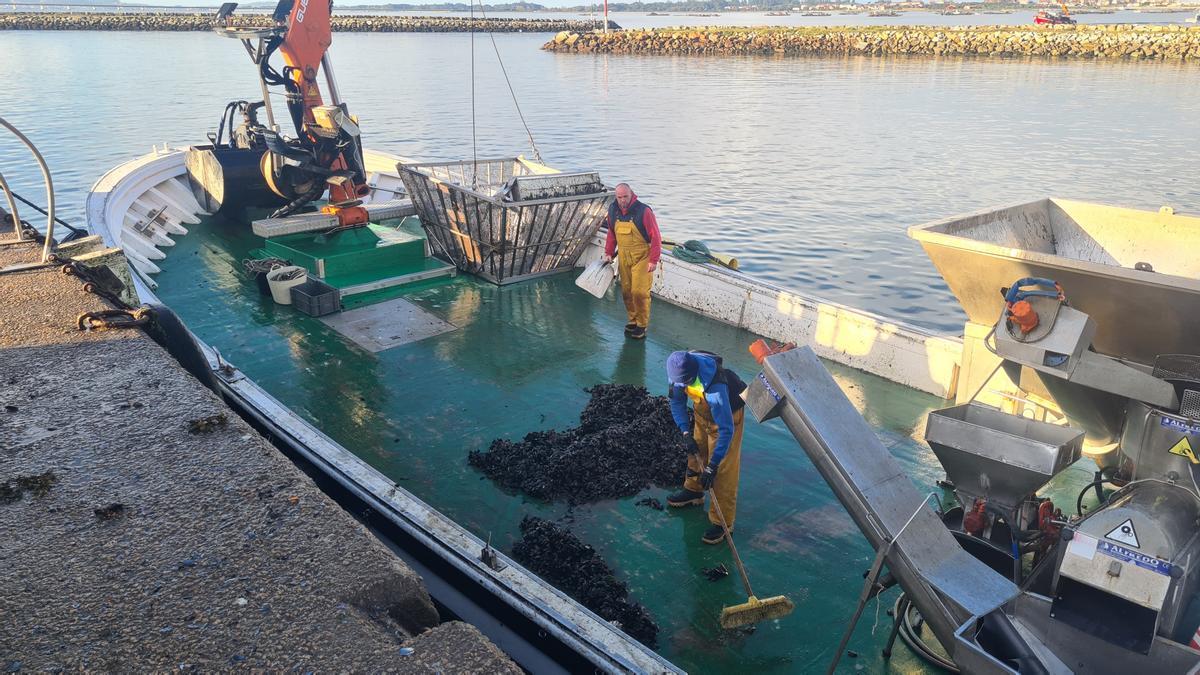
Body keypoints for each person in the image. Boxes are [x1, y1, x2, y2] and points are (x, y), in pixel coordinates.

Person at [664, 350, 748, 545]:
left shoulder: (716, 387)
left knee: (723, 470)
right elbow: (676, 402)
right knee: (696, 452)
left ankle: (723, 523)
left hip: (728, 419)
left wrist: (713, 465)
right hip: (702, 414)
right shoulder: (676, 370)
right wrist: (685, 432)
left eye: (685, 383)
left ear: (693, 376)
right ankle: (693, 491)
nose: (681, 386)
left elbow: (726, 430)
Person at [602, 183, 662, 340]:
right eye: (619, 197)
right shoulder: (613, 210)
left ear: (632, 194)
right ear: (616, 197)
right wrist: (608, 252)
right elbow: (611, 233)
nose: (622, 200)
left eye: (625, 197)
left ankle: (642, 325)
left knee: (639, 292)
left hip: (642, 256)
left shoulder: (644, 211)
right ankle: (633, 320)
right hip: (623, 255)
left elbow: (656, 236)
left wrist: (653, 260)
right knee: (627, 291)